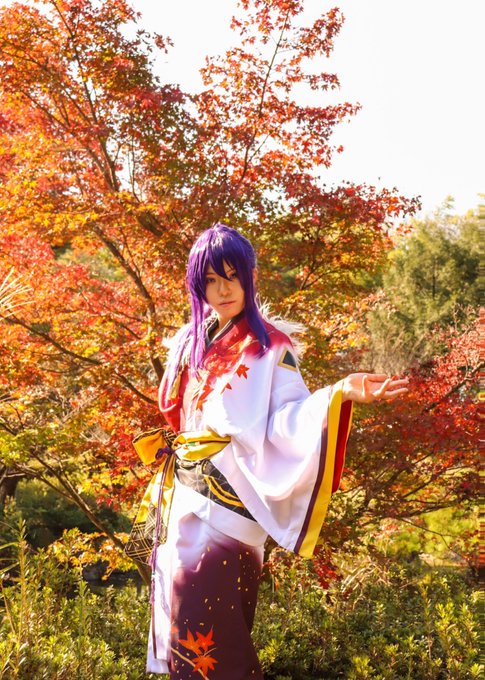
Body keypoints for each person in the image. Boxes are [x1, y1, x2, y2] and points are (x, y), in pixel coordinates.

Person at [142, 224, 408, 678]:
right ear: (197, 285)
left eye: (233, 276)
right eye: (211, 279)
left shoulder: (269, 347)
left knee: (212, 624)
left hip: (228, 502)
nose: (224, 290)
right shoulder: (189, 342)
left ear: (250, 276)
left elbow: (287, 419)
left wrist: (340, 393)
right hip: (181, 495)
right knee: (183, 615)